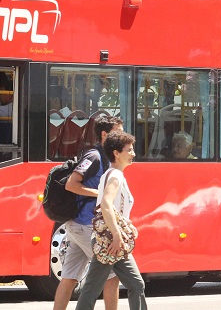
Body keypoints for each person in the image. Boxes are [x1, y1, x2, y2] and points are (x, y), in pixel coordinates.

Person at [52, 116, 124, 310]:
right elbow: (71, 184)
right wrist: (100, 194)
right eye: (118, 132)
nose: (122, 136)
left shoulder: (106, 157)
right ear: (104, 134)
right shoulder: (95, 156)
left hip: (79, 226)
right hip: (86, 225)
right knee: (112, 274)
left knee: (69, 277)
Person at [75, 131, 146, 310]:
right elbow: (106, 204)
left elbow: (111, 207)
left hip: (111, 240)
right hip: (111, 241)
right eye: (129, 150)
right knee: (134, 285)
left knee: (96, 288)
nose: (133, 154)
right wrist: (116, 235)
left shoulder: (110, 174)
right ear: (116, 153)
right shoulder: (116, 176)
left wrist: (126, 225)